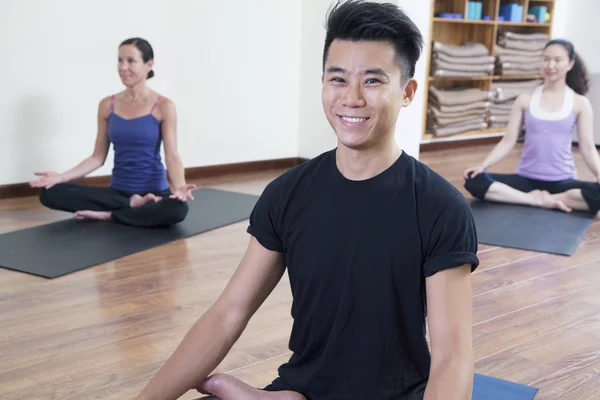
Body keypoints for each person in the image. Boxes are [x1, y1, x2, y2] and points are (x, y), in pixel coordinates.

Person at [136, 1, 479, 399]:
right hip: (306, 384)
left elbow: (452, 355)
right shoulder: (287, 193)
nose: (351, 98)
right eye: (337, 79)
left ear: (406, 92)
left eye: (372, 81)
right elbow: (228, 313)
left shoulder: (441, 208)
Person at [29, 37, 195, 228]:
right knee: (49, 192)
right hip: (117, 193)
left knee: (177, 209)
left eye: (131, 61)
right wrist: (61, 177)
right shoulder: (107, 105)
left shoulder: (164, 106)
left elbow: (172, 155)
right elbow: (97, 157)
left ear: (149, 64)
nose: (123, 67)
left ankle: (109, 215)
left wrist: (180, 186)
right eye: (120, 60)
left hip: (154, 192)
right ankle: (130, 206)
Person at [464, 39, 600, 216]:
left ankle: (536, 198)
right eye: (546, 59)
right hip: (525, 179)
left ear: (570, 64)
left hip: (563, 181)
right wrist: (482, 166)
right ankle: (537, 200)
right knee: (473, 179)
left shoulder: (580, 103)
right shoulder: (525, 99)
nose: (550, 65)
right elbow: (508, 141)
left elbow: (588, 148)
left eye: (557, 60)